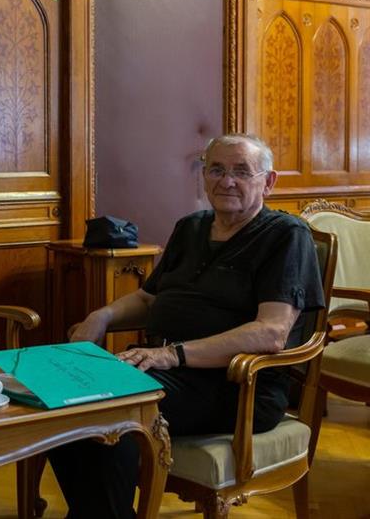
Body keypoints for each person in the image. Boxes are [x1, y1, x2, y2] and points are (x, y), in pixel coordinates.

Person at [48, 133, 324, 518]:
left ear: (268, 181)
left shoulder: (286, 236)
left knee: (115, 414)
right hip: (164, 369)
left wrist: (172, 355)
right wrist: (102, 316)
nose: (227, 181)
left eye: (241, 172)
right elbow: (149, 299)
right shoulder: (191, 227)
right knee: (56, 399)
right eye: (216, 169)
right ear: (204, 176)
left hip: (237, 385)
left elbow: (271, 332)